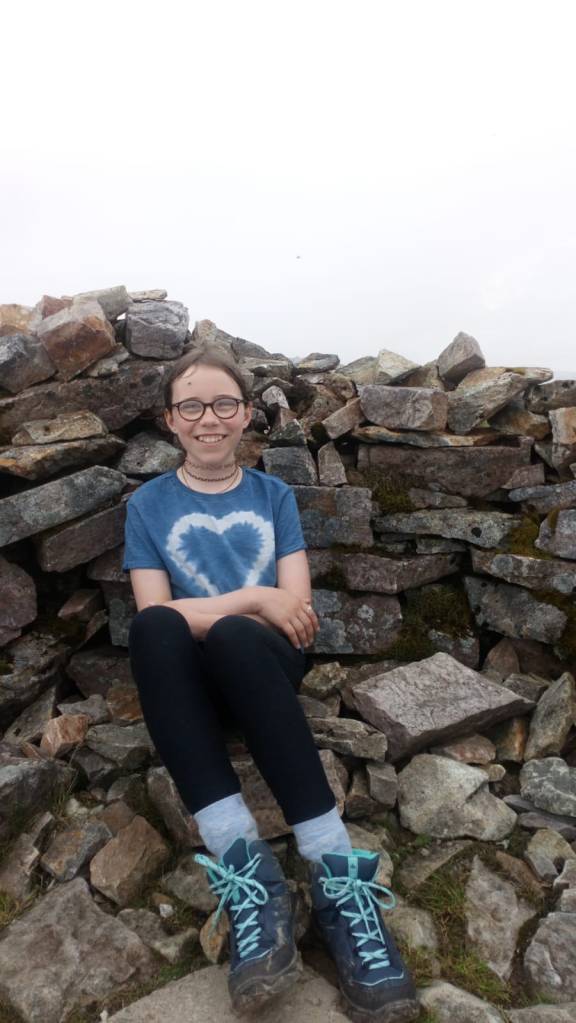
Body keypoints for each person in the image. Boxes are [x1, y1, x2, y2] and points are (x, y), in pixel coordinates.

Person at [123, 345, 418, 1022]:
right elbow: (155, 614)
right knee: (156, 631)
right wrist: (256, 597)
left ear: (246, 413)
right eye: (191, 405)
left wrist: (242, 615)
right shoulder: (147, 505)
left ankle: (336, 878)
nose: (208, 418)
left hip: (266, 661)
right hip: (190, 674)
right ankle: (248, 873)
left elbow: (298, 615)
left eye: (223, 403)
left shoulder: (273, 495)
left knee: (230, 635)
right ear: (170, 419)